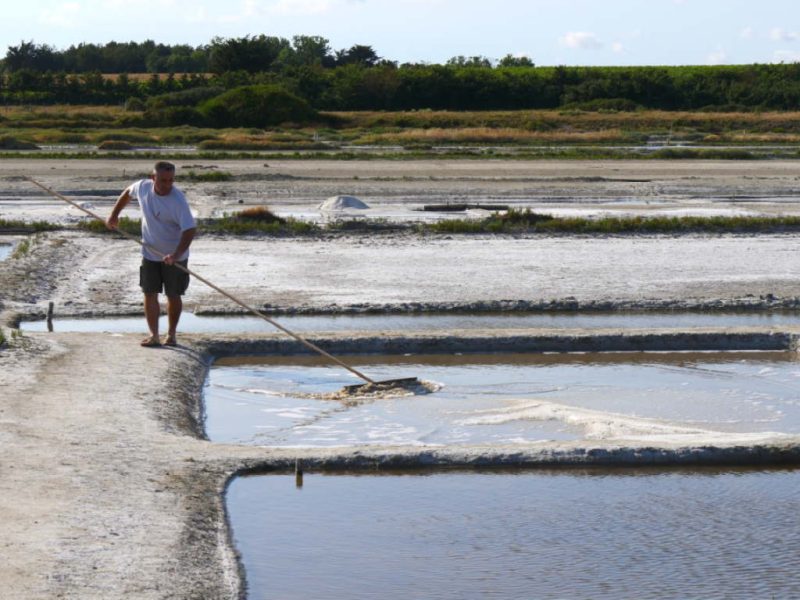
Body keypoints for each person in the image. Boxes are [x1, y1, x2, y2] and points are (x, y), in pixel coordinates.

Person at [107, 161, 197, 347]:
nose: (167, 185)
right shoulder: (142, 187)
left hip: (175, 255)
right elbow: (127, 193)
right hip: (150, 252)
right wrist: (114, 215)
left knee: (173, 294)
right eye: (163, 180)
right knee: (149, 292)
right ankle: (154, 335)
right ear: (153, 178)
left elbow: (189, 230)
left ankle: (171, 335)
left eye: (171, 180)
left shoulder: (177, 200)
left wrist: (176, 254)